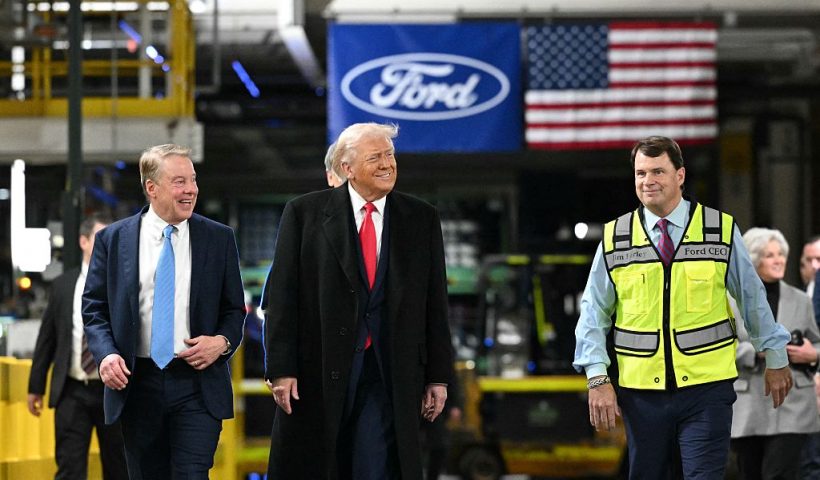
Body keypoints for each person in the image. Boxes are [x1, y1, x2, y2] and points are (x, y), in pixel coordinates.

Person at [573, 136, 793, 480]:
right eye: (640, 173)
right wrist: (597, 377)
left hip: (707, 390)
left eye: (658, 171)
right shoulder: (616, 237)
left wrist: (775, 356)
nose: (648, 181)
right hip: (641, 394)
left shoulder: (719, 231)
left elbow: (752, 298)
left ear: (680, 175)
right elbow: (594, 312)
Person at [264, 122, 453, 480]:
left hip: (387, 370)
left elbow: (435, 303)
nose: (387, 164)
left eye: (390, 155)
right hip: (317, 371)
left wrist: (439, 377)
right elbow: (283, 297)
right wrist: (281, 368)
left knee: (374, 466)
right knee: (321, 464)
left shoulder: (421, 217)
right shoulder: (304, 214)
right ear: (346, 168)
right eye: (375, 157)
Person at [82, 144, 246, 480]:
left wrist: (223, 342)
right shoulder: (113, 240)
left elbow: (234, 310)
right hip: (137, 382)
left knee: (192, 473)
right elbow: (94, 307)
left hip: (197, 384)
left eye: (193, 181)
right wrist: (106, 355)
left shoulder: (219, 239)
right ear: (151, 188)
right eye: (179, 181)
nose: (191, 190)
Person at [27, 212, 128, 480]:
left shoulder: (124, 285)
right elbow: (47, 337)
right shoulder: (63, 285)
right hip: (72, 390)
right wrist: (35, 387)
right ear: (83, 241)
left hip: (114, 390)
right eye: (100, 237)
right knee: (70, 468)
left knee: (120, 468)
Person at [730, 228, 820, 480]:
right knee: (751, 473)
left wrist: (812, 353)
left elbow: (817, 343)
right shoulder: (731, 300)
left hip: (794, 403)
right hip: (749, 404)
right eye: (770, 255)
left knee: (779, 473)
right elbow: (719, 346)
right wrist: (755, 351)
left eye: (781, 254)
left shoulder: (801, 299)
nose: (779, 259)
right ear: (753, 258)